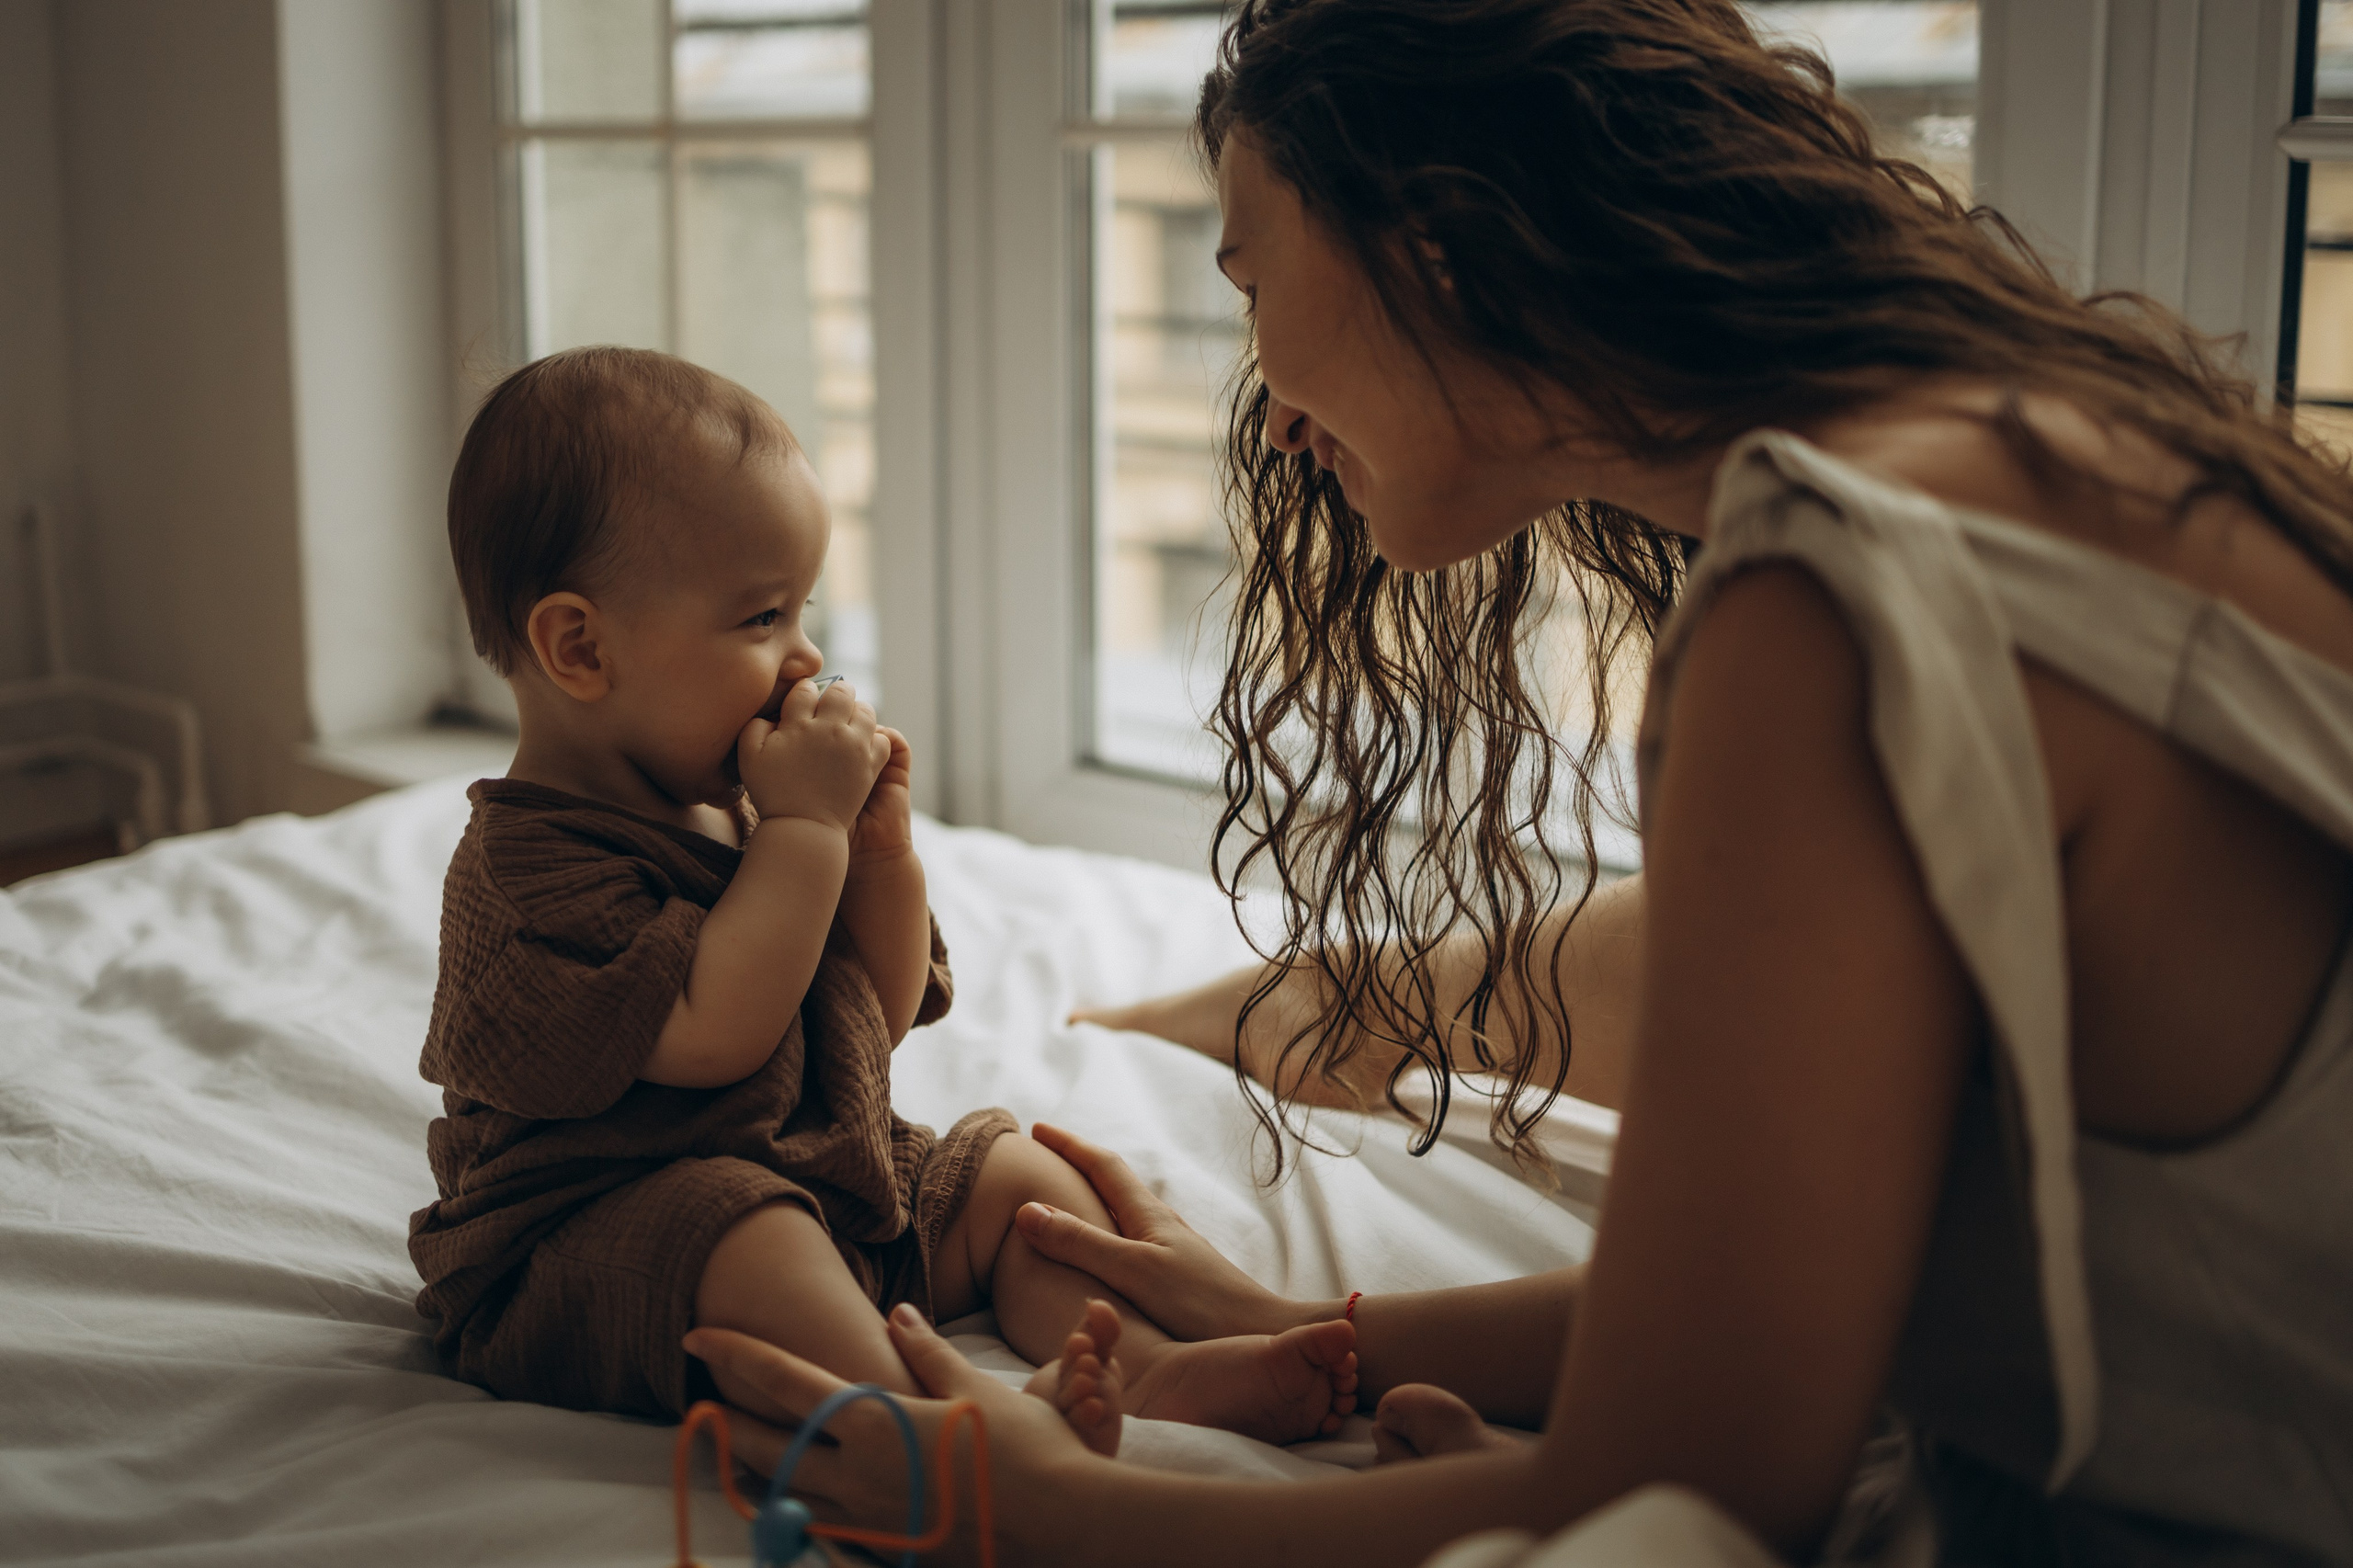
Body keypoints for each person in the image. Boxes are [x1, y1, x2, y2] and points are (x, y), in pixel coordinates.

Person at [684, 0, 2353, 1562]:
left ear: (1441, 241)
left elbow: (1678, 1493)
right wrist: (1313, 1337)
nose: (1272, 416)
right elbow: (1785, 1291)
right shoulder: (2052, 448)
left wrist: (1032, 1505)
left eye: (1254, 285)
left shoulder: (1840, 601)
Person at [405, 347, 1360, 1454]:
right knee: (746, 1233)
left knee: (1013, 1179)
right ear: (580, 646)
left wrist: (878, 855)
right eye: (761, 616)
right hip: (593, 1238)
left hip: (822, 1179)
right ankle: (953, 1426)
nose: (804, 653)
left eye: (801, 608)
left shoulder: (744, 810)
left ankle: (1143, 1368)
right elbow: (718, 1035)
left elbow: (880, 1009)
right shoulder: (527, 869)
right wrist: (807, 834)